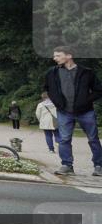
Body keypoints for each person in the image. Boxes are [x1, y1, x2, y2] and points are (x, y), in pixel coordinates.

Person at [43, 46, 102, 176]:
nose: (54, 58)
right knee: (64, 139)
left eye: (58, 55)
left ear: (69, 56)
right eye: (54, 56)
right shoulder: (51, 73)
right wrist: (58, 103)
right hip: (64, 112)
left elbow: (98, 90)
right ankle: (67, 165)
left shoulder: (87, 72)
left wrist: (86, 101)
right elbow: (48, 89)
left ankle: (99, 166)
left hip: (86, 112)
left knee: (93, 139)